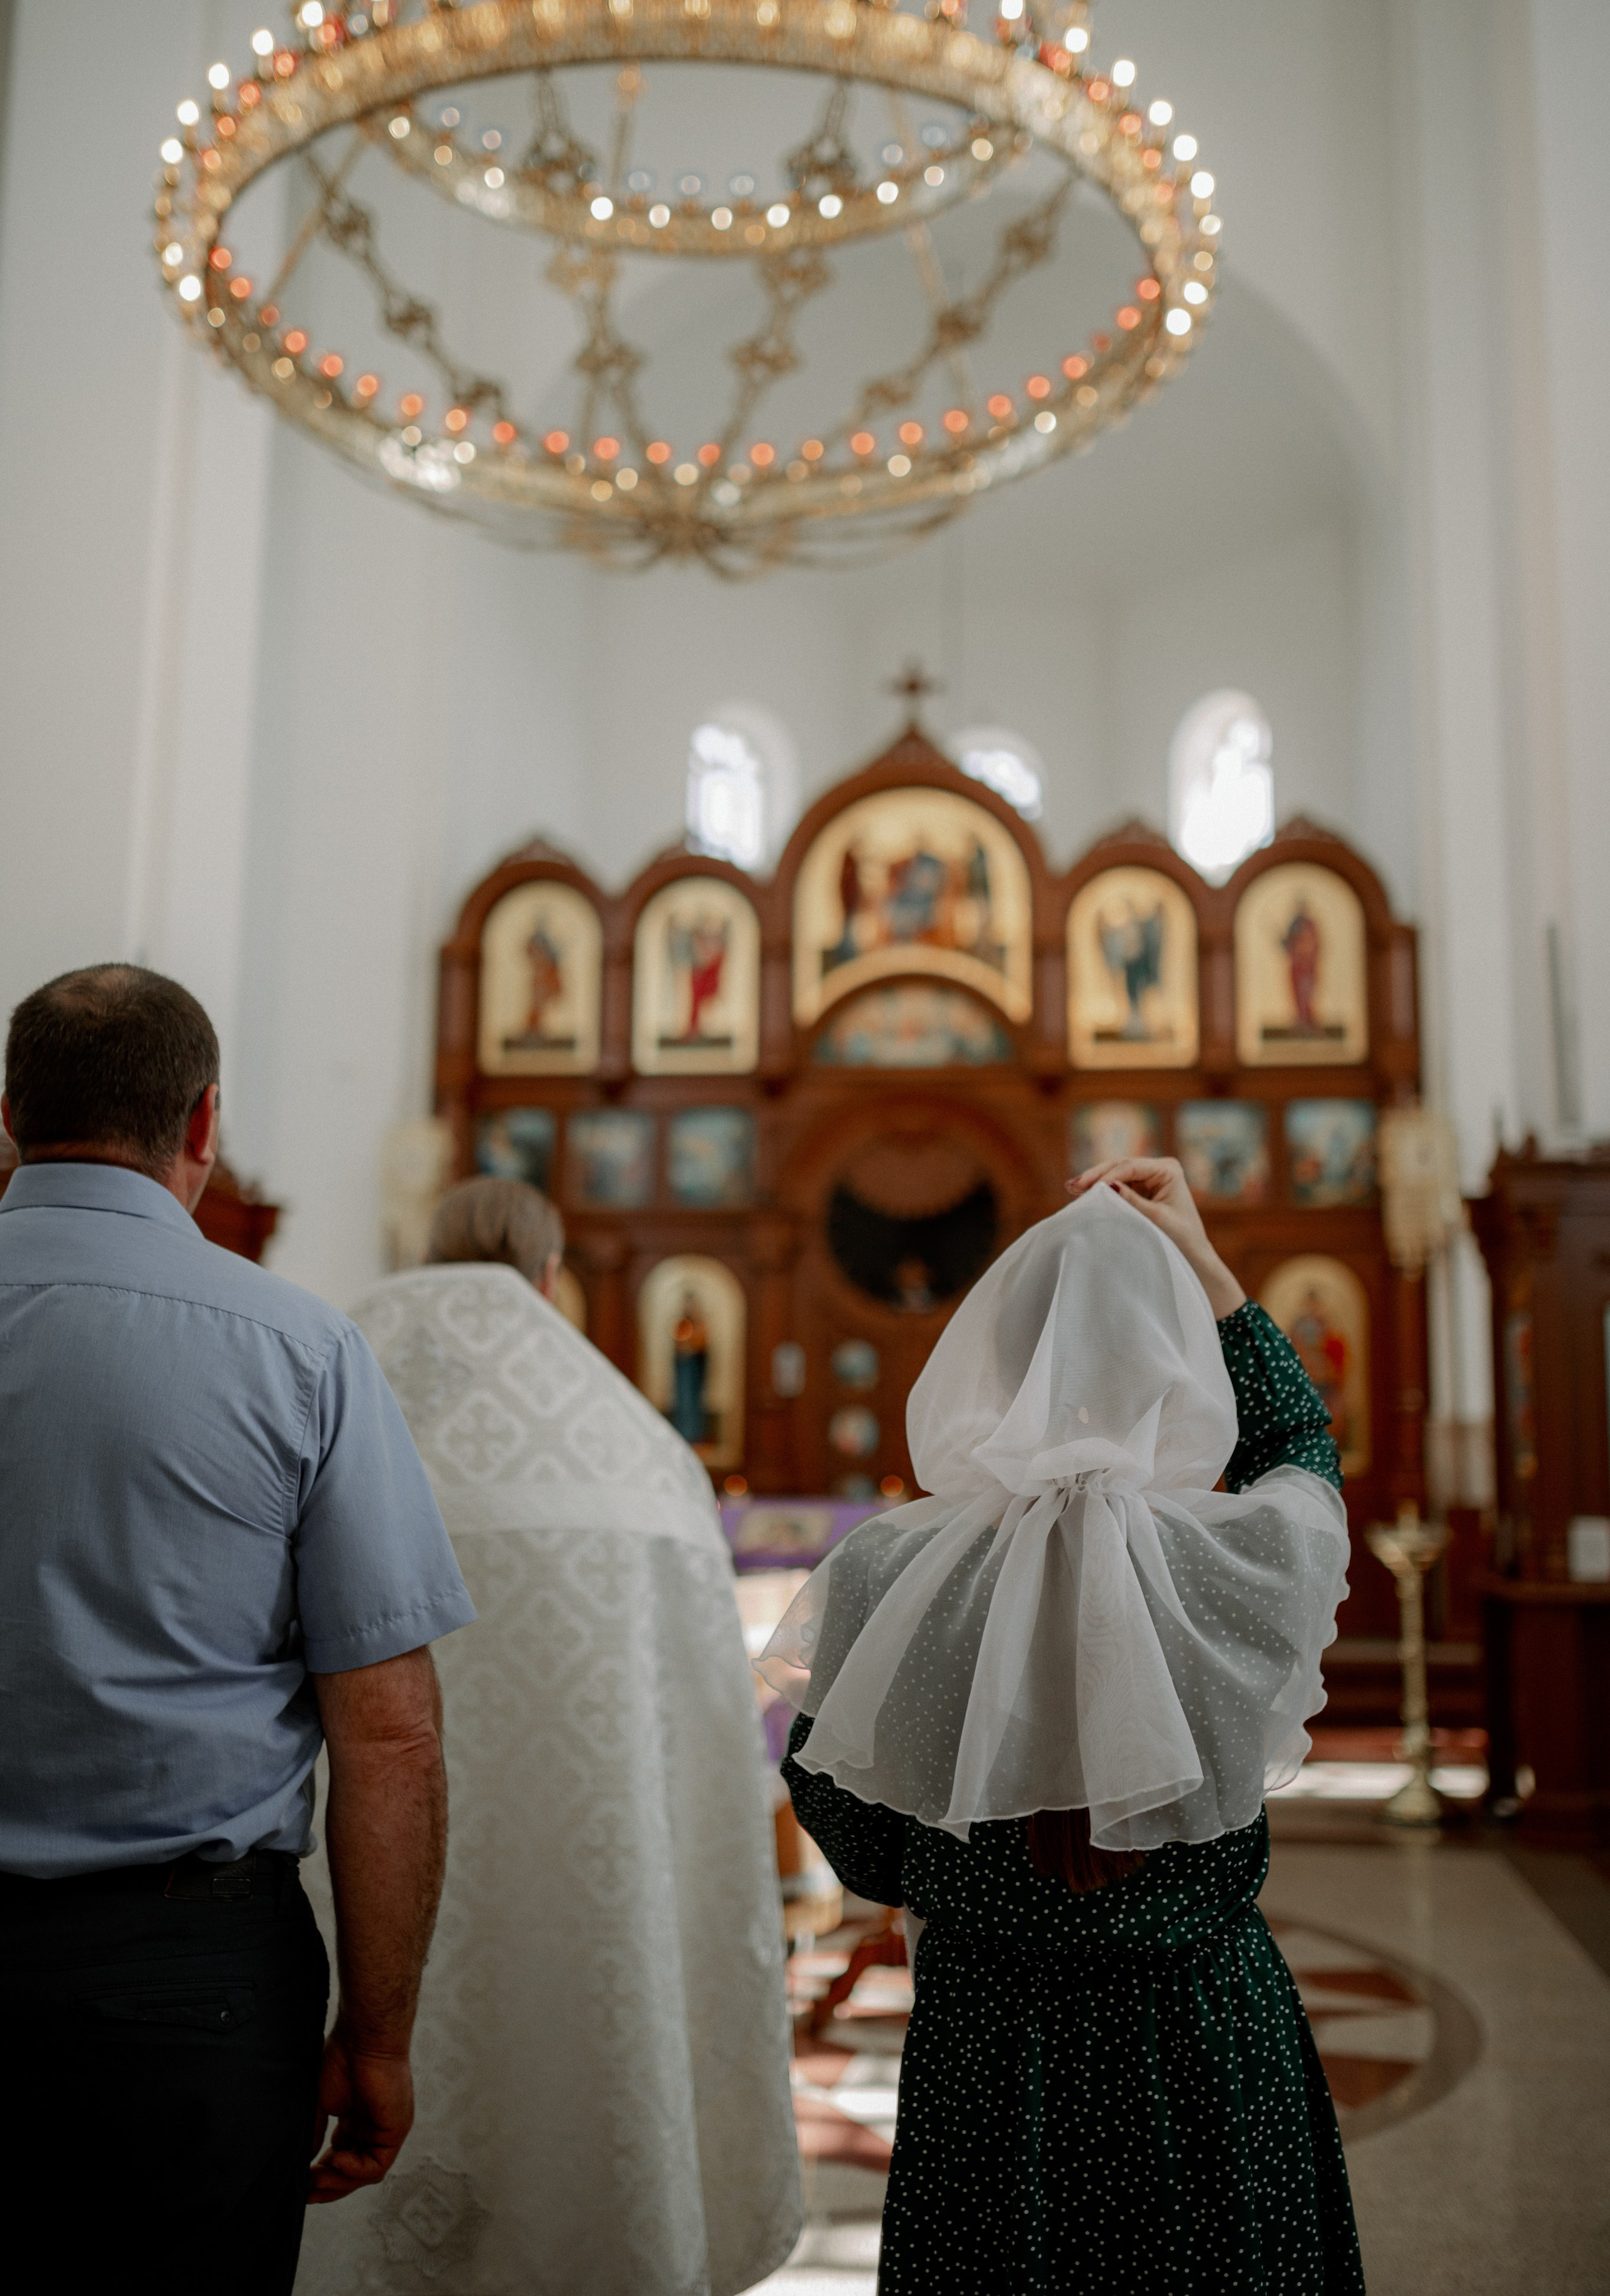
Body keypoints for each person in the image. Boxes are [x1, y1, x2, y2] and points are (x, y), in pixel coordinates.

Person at [761, 1157, 1364, 2295]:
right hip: (1204, 2032)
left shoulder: (892, 1570)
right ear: (1177, 1363)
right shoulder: (1239, 1560)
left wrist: (954, 1868)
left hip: (990, 2041)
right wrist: (1211, 1265)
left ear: (994, 1355)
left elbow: (847, 1809)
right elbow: (1302, 1448)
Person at [0, 965, 477, 2293]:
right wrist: (377, 2037)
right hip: (187, 1988)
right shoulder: (299, 1350)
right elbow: (387, 1740)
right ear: (203, 1123)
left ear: (8, 1113)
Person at [297, 1174, 801, 2296]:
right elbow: (700, 1751)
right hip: (588, 1896)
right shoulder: (634, 1447)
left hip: (354, 1876)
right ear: (550, 1277)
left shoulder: (328, 1381)